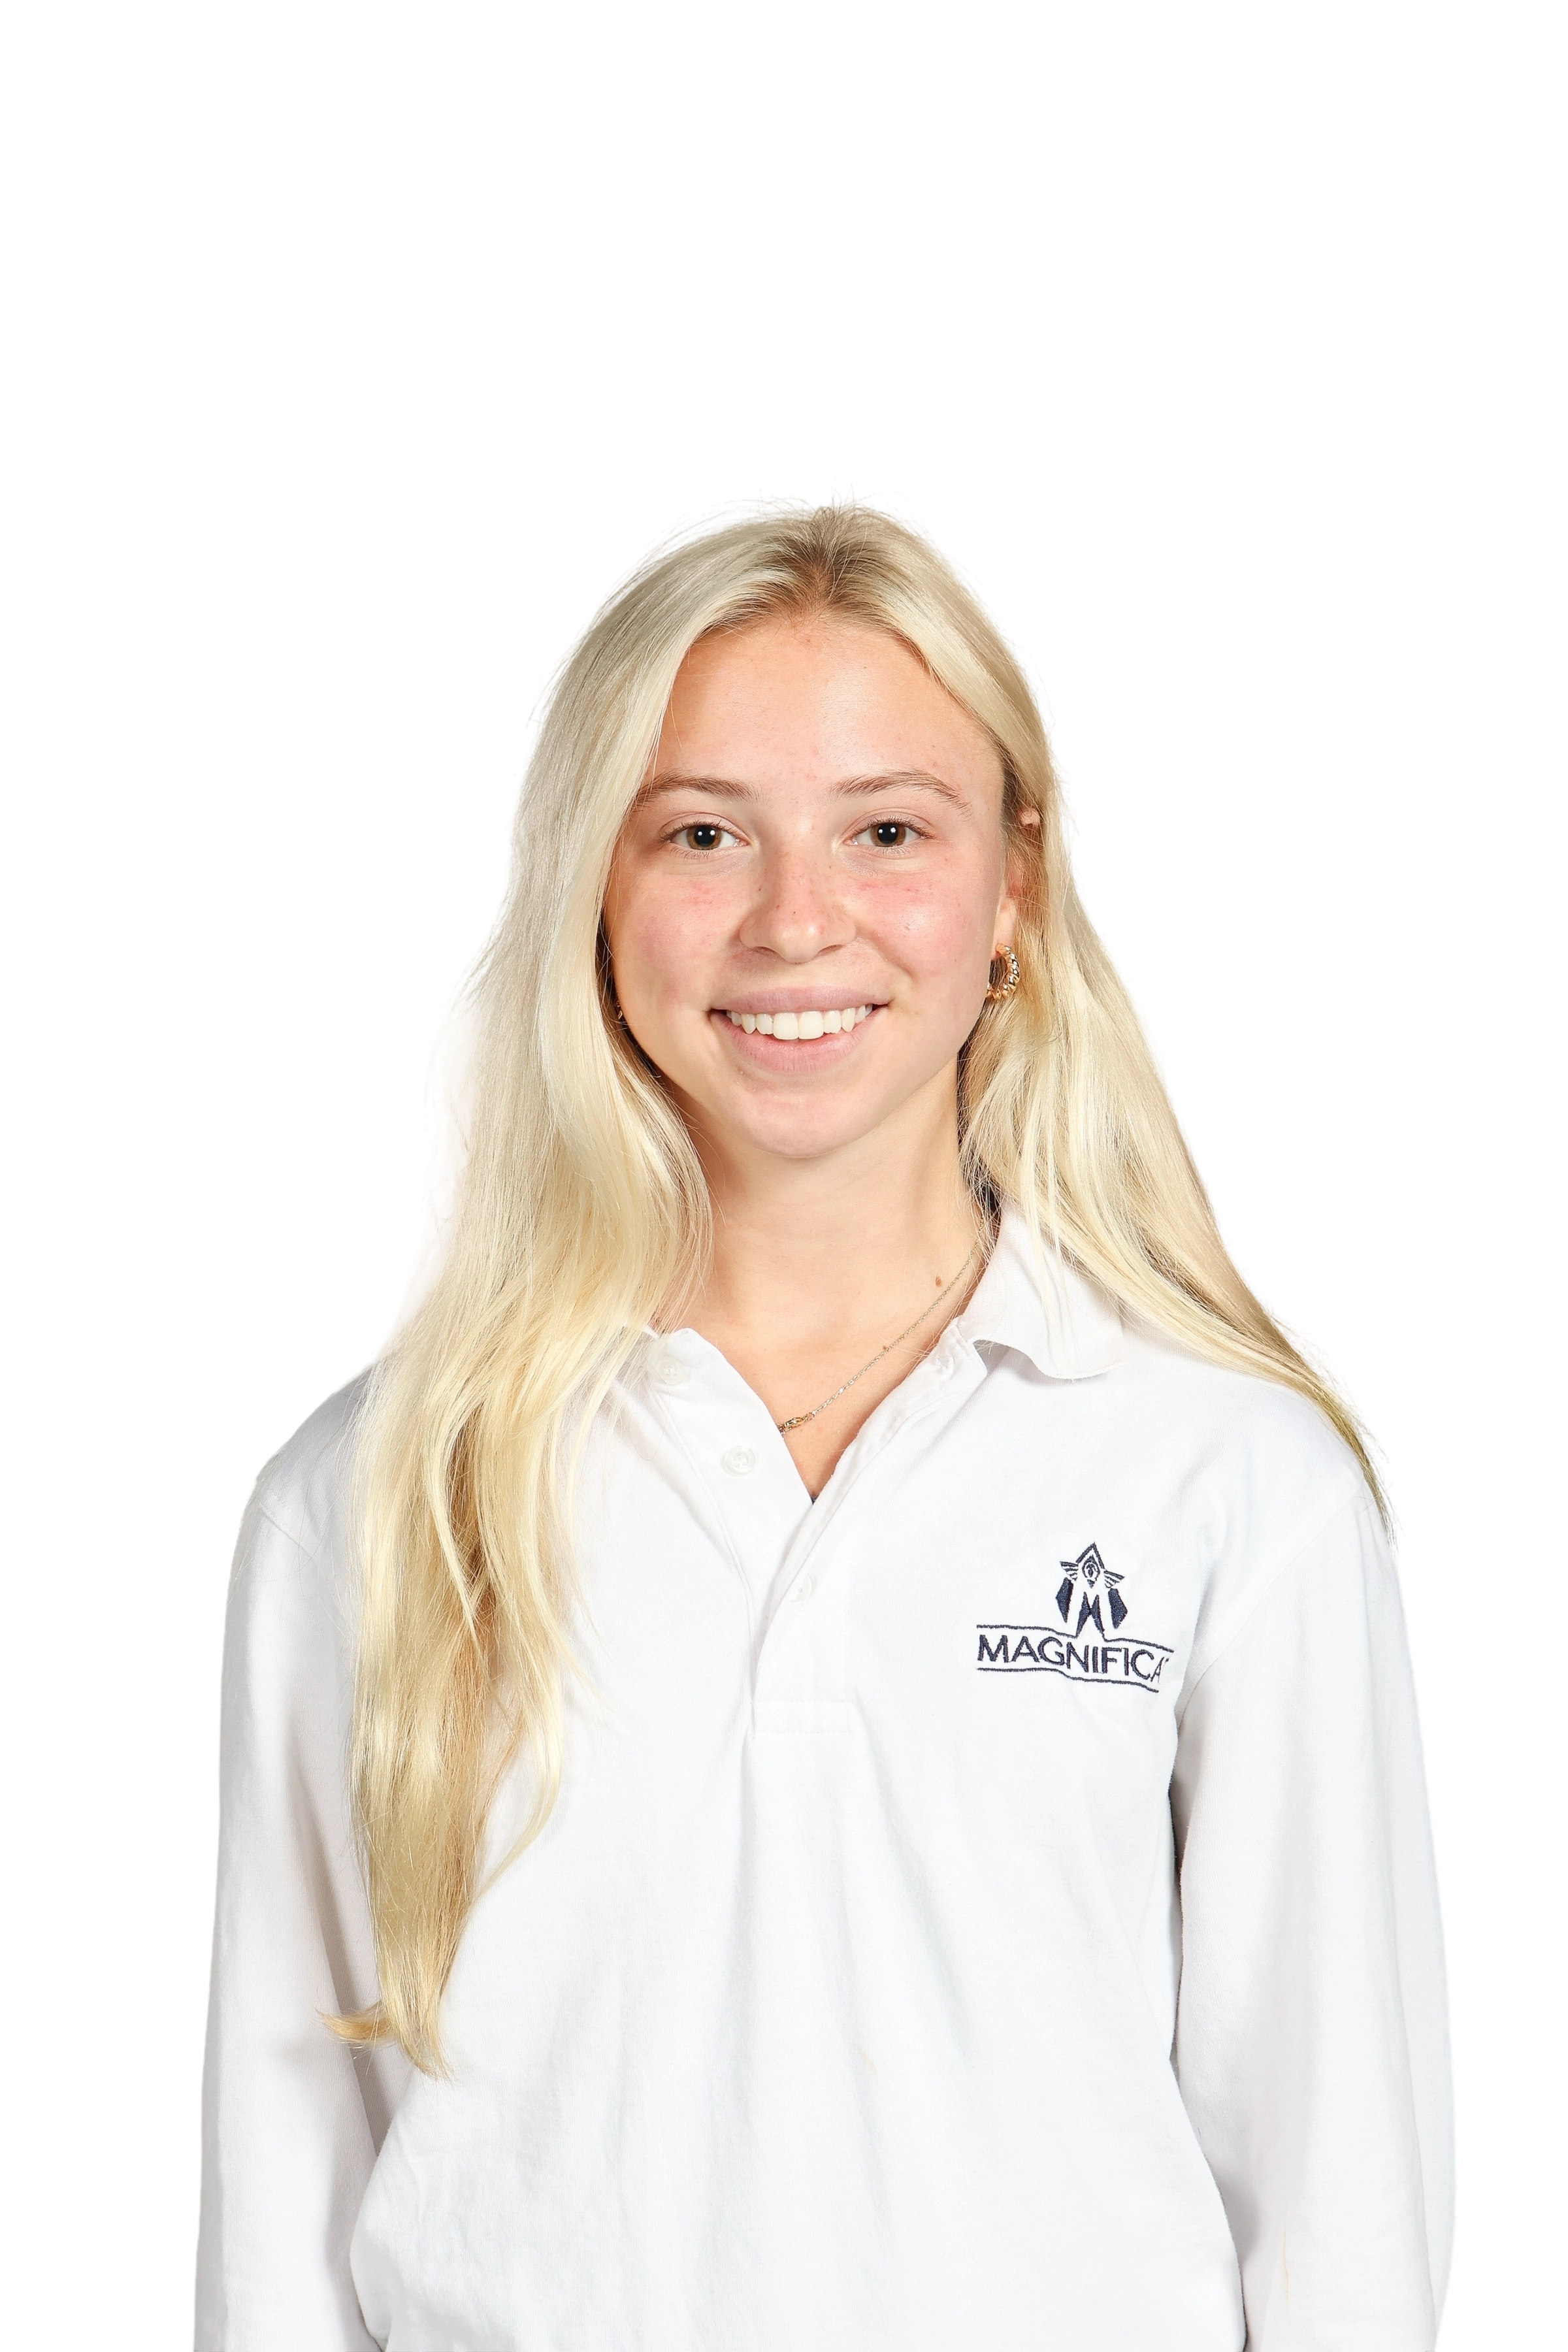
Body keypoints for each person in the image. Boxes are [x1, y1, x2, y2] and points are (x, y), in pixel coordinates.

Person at [191, 488, 1457, 2351]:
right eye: (704, 832)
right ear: (594, 888)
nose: (799, 922)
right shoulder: (382, 1492)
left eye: (888, 830)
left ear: (1016, 886)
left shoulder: (1228, 1476)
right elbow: (283, 2179)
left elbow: (1339, 2193)